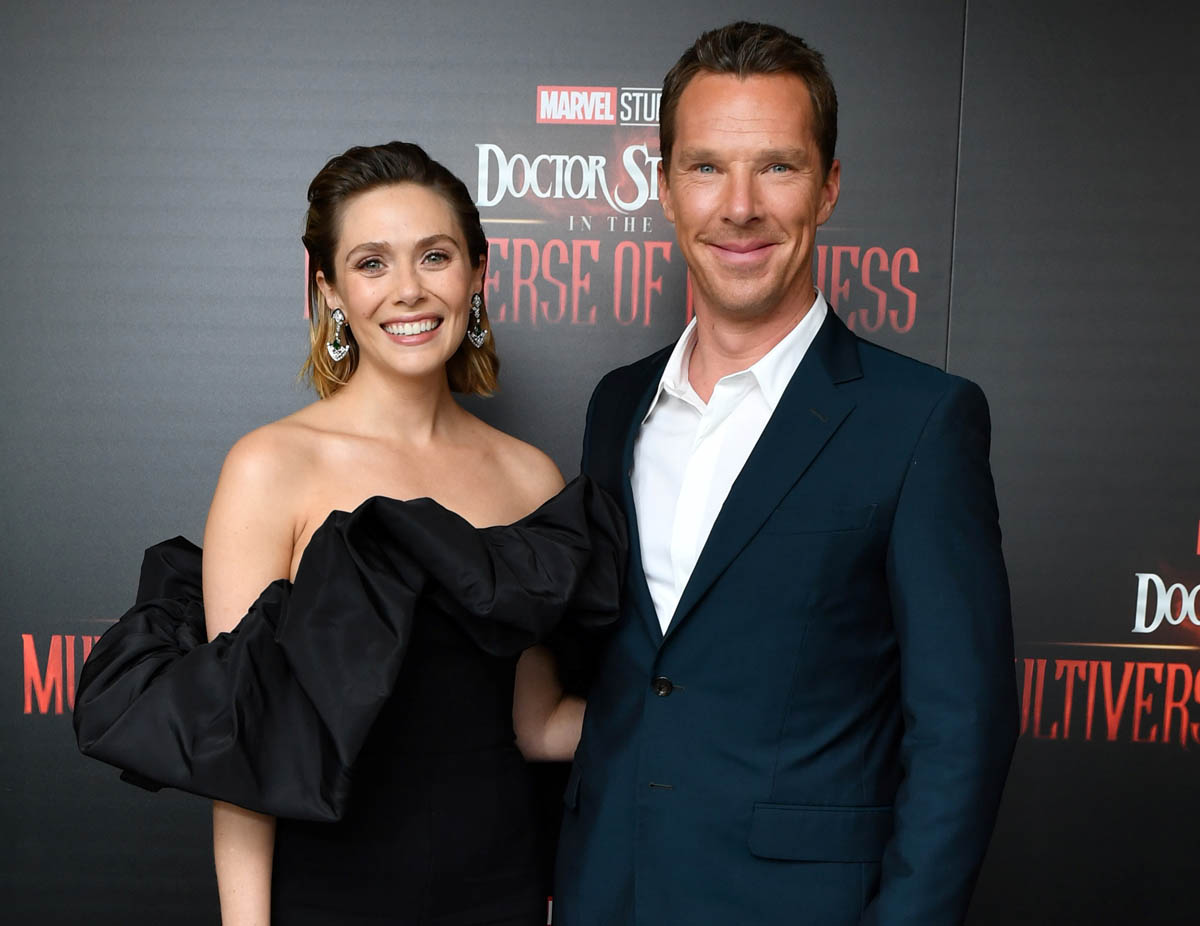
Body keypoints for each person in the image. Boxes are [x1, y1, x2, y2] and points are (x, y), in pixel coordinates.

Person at [74, 141, 625, 925]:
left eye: (435, 256)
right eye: (372, 263)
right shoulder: (271, 467)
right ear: (329, 289)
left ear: (476, 273)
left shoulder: (529, 476)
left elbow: (535, 725)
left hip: (499, 886)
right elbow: (243, 748)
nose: (409, 290)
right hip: (332, 895)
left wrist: (704, 712)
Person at [554, 22, 1018, 926]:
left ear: (828, 186)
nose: (739, 207)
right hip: (605, 893)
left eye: (777, 166)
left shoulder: (921, 421)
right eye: (706, 167)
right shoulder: (616, 405)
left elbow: (963, 733)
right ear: (664, 187)